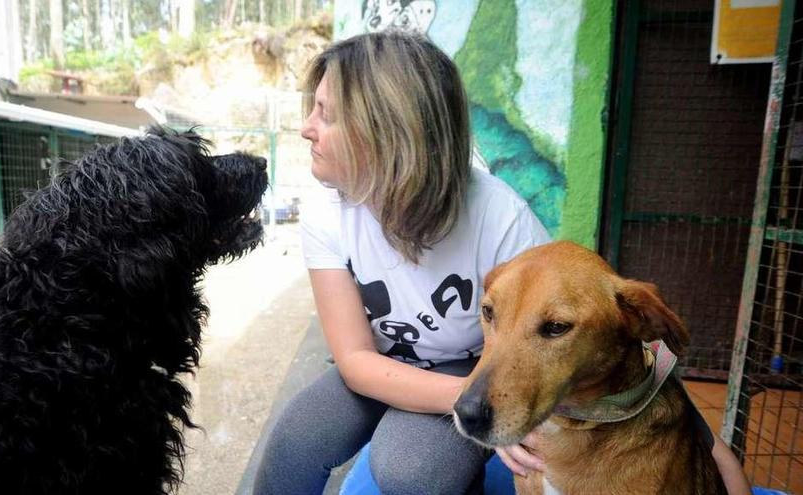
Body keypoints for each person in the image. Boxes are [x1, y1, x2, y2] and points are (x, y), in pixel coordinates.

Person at [253, 30, 751, 495]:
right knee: (293, 447)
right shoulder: (326, 211)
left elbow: (589, 326)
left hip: (466, 365)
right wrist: (480, 402)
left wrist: (705, 445)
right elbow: (356, 360)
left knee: (413, 471)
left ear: (387, 134)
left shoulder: (498, 214)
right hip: (377, 364)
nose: (305, 129)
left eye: (326, 114)